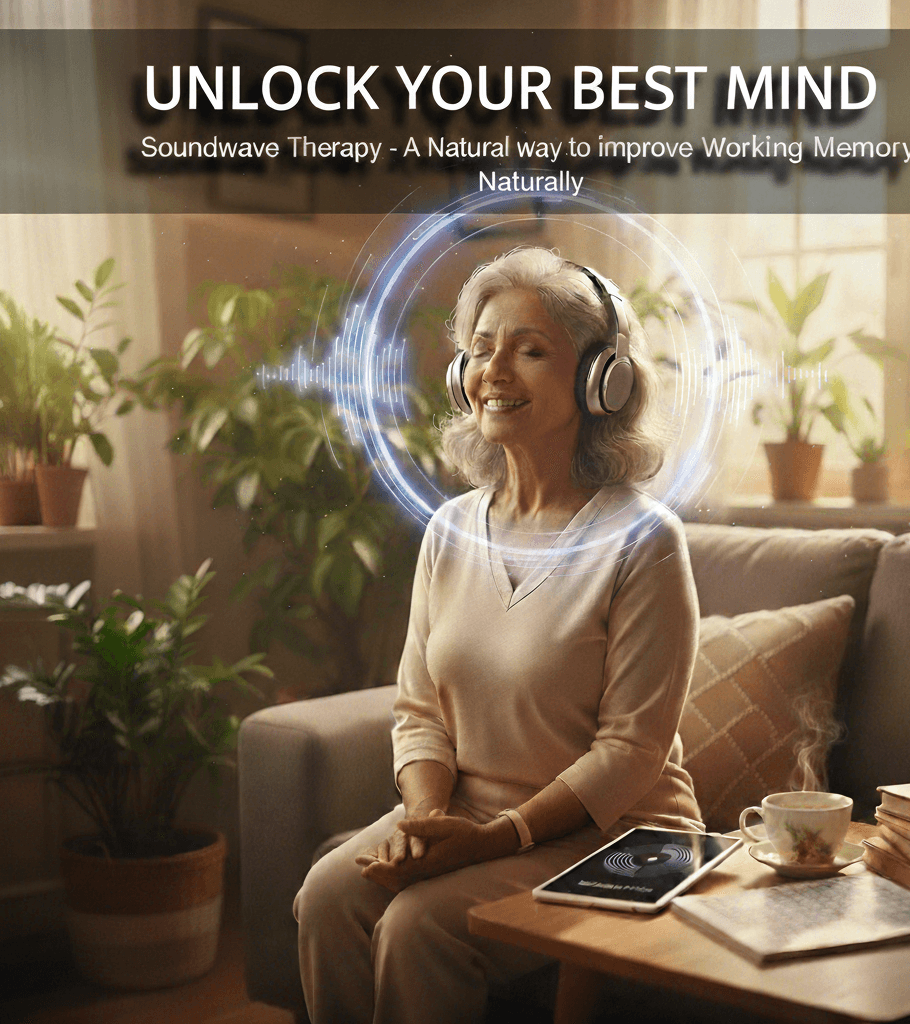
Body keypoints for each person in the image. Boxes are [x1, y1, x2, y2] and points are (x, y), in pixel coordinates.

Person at [293, 247, 702, 1024]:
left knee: (419, 927)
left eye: (531, 349)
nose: (494, 370)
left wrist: (499, 839)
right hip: (473, 818)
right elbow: (419, 710)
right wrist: (425, 818)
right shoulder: (449, 531)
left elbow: (632, 753)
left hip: (624, 836)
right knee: (327, 896)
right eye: (482, 349)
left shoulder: (645, 540)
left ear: (600, 381)